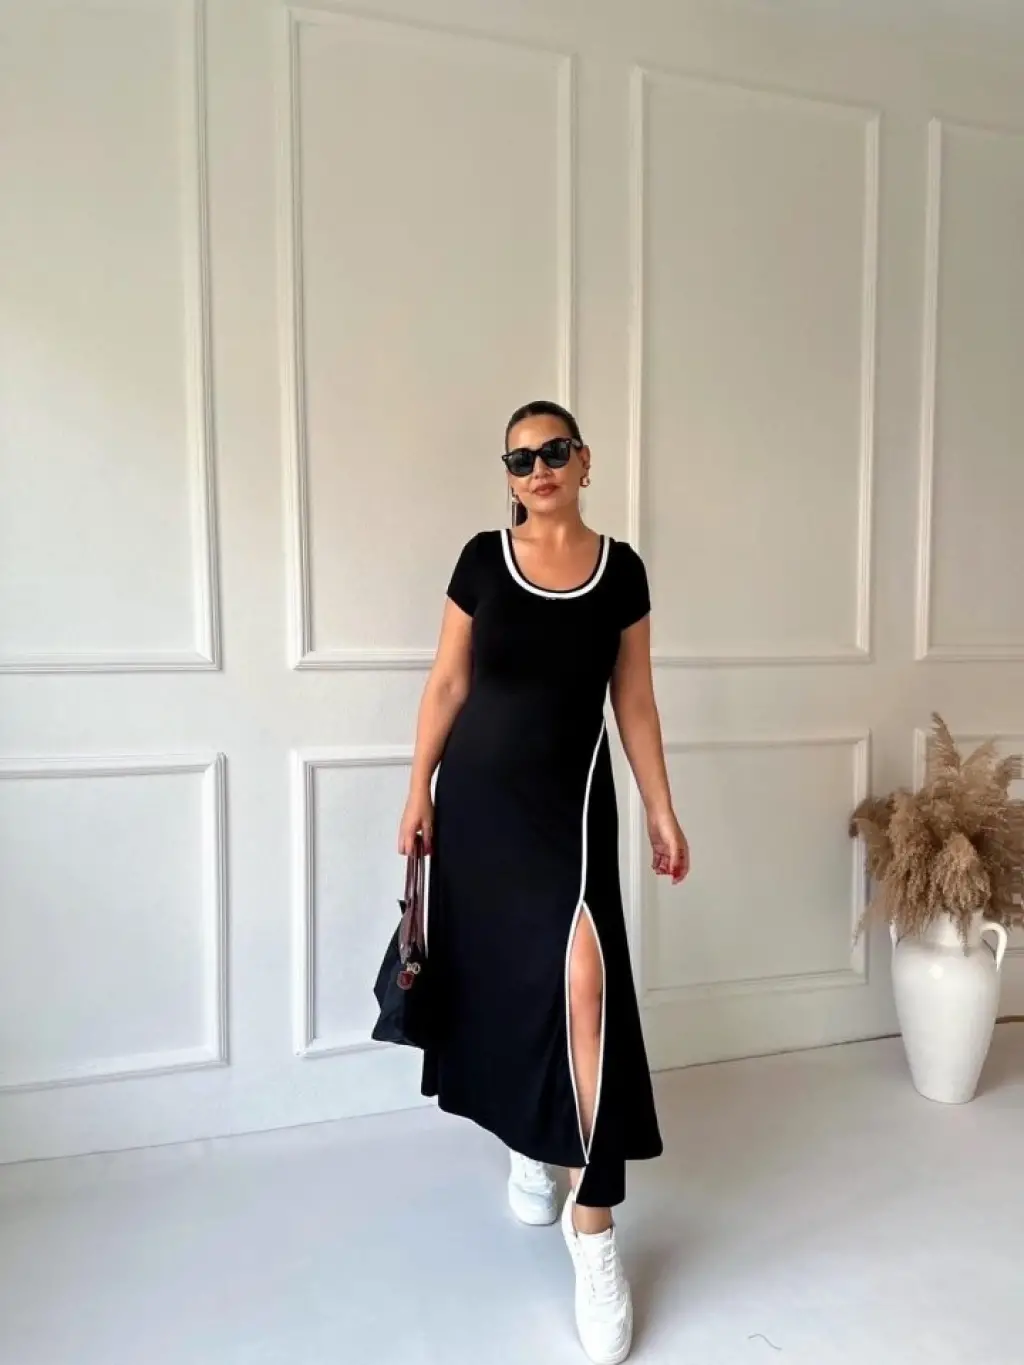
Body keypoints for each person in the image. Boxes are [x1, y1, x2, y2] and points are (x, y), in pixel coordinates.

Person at [398, 400, 689, 1364]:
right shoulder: (483, 560)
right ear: (509, 474)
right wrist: (418, 787)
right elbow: (448, 682)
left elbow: (634, 698)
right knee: (511, 985)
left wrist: (660, 807)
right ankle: (532, 1141)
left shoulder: (622, 570)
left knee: (583, 986)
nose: (538, 469)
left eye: (554, 451)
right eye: (520, 459)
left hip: (571, 813)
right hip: (481, 809)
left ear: (584, 460)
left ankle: (593, 1228)